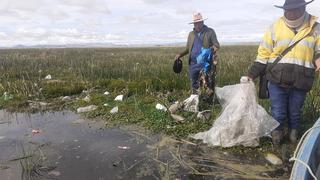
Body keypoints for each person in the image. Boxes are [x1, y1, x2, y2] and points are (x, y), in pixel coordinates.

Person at [245, 0, 320, 146]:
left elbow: (319, 50)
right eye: (287, 10)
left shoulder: (316, 28)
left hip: (301, 80)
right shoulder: (274, 27)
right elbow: (263, 55)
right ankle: (277, 138)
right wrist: (251, 74)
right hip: (276, 79)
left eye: (294, 10)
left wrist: (318, 58)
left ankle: (293, 136)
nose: (289, 13)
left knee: (295, 112)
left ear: (303, 8)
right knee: (278, 112)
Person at [175, 12, 220, 102]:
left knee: (208, 83)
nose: (197, 24)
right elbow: (188, 48)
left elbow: (217, 45)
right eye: (196, 23)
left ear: (203, 22)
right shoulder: (191, 34)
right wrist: (180, 54)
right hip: (193, 64)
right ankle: (195, 102)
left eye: (199, 22)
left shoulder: (210, 31)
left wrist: (211, 49)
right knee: (194, 84)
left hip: (206, 64)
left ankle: (209, 103)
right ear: (194, 24)